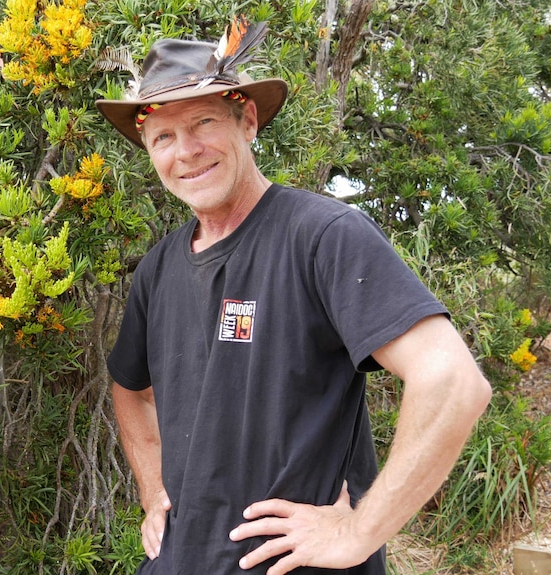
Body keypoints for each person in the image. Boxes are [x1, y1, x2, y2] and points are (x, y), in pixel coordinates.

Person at [95, 17, 492, 575]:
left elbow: (452, 383)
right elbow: (130, 387)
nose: (185, 152)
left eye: (203, 122)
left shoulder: (324, 236)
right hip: (180, 559)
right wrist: (151, 484)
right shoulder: (159, 269)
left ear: (248, 120)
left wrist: (357, 532)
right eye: (163, 136)